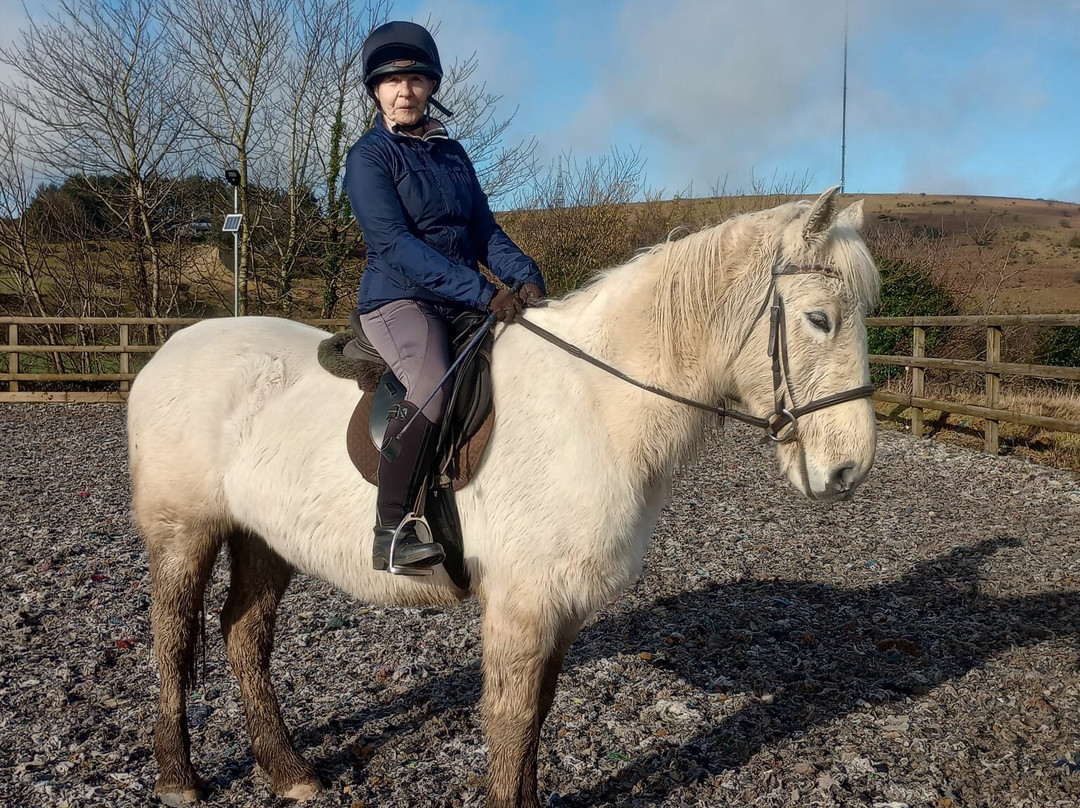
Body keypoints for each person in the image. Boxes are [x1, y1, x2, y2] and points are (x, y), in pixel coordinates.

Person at [344, 20, 546, 574]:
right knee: (432, 380)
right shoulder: (369, 157)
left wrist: (525, 277)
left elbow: (484, 232)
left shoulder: (452, 154)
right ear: (376, 91)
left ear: (431, 85)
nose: (404, 91)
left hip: (460, 298)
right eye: (392, 82)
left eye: (415, 80)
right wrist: (482, 290)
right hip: (400, 299)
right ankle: (390, 531)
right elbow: (395, 244)